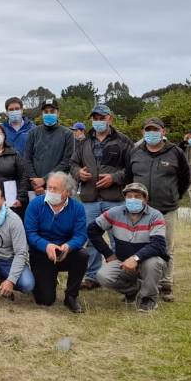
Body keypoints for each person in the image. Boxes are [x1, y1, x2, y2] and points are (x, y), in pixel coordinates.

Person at [126, 117, 190, 302]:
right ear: (143, 132)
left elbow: (185, 179)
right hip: (140, 210)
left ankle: (166, 283)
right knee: (139, 246)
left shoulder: (176, 153)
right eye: (148, 129)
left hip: (166, 209)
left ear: (164, 132)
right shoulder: (135, 152)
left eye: (155, 129)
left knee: (166, 247)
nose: (151, 133)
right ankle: (139, 282)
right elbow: (129, 179)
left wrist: (173, 196)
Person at [70, 104, 134, 290]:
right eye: (95, 118)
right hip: (90, 198)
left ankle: (119, 276)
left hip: (114, 198)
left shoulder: (123, 141)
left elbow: (132, 168)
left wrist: (114, 178)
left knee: (119, 239)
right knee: (90, 238)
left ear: (110, 119)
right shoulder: (84, 142)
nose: (98, 121)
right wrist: (78, 173)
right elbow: (73, 163)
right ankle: (92, 276)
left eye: (101, 117)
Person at [90, 183, 168, 312]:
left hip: (148, 260)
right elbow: (92, 230)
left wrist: (136, 258)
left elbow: (158, 245)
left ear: (145, 199)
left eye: (137, 196)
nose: (133, 200)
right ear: (124, 198)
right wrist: (108, 254)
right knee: (102, 276)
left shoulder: (155, 216)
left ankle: (149, 299)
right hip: (122, 260)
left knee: (152, 263)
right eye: (129, 196)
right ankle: (135, 290)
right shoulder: (115, 212)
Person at [24, 171, 88, 313]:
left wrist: (68, 246)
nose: (50, 191)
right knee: (45, 300)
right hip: (41, 252)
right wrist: (46, 246)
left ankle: (71, 296)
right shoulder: (35, 204)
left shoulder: (77, 208)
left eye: (55, 189)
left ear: (66, 192)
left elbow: (81, 235)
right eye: (49, 187)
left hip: (65, 251)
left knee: (82, 255)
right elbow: (30, 233)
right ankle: (48, 279)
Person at [23, 99, 74, 196]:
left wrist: (45, 179)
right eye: (46, 112)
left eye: (52, 111)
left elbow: (67, 162)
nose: (49, 114)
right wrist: (35, 182)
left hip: (58, 187)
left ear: (58, 113)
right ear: (42, 114)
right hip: (35, 188)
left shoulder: (68, 134)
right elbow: (27, 159)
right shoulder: (33, 133)